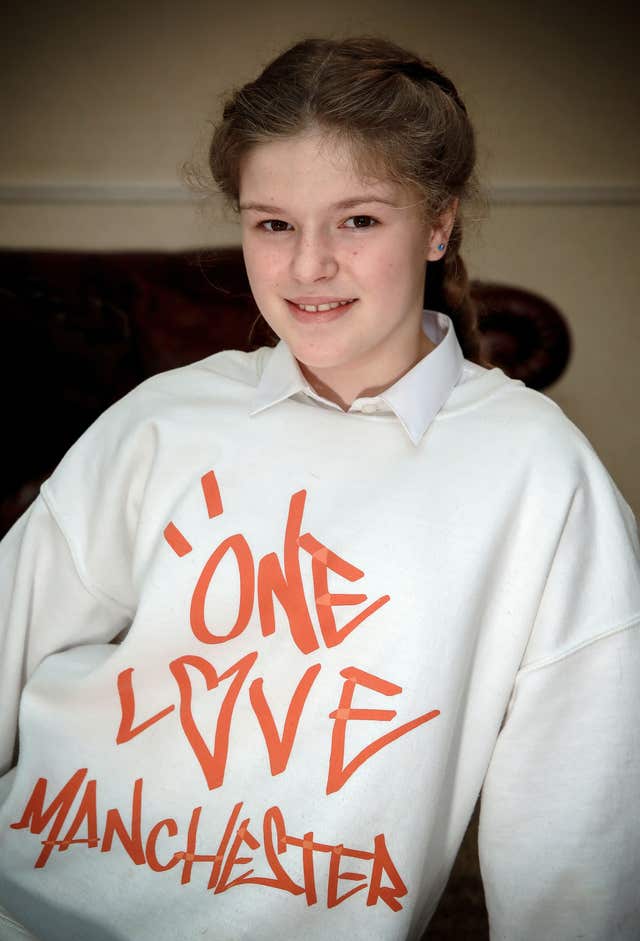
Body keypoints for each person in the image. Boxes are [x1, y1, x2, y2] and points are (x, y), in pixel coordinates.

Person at [0, 35, 638, 941]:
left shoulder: (540, 476)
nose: (308, 267)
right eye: (273, 223)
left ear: (440, 223)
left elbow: (581, 847)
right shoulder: (165, 419)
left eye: (359, 220)